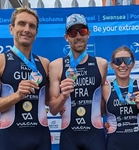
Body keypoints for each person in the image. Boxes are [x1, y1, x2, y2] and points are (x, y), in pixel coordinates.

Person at [0, 7, 51, 150]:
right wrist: (17, 95)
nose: (27, 29)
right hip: (12, 138)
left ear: (36, 33)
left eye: (31, 26)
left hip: (41, 138)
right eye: (21, 24)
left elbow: (50, 101)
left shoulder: (45, 63)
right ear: (11, 29)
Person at [49, 13, 108, 150]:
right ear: (66, 37)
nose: (78, 36)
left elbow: (104, 101)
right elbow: (53, 109)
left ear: (88, 34)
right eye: (72, 32)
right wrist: (63, 96)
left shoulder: (101, 64)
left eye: (82, 31)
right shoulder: (56, 66)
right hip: (69, 136)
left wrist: (110, 121)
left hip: (95, 134)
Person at [102, 46, 139, 150]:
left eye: (127, 61)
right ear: (112, 65)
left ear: (132, 64)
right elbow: (98, 114)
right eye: (118, 61)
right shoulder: (105, 89)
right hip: (114, 142)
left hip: (138, 141)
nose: (122, 65)